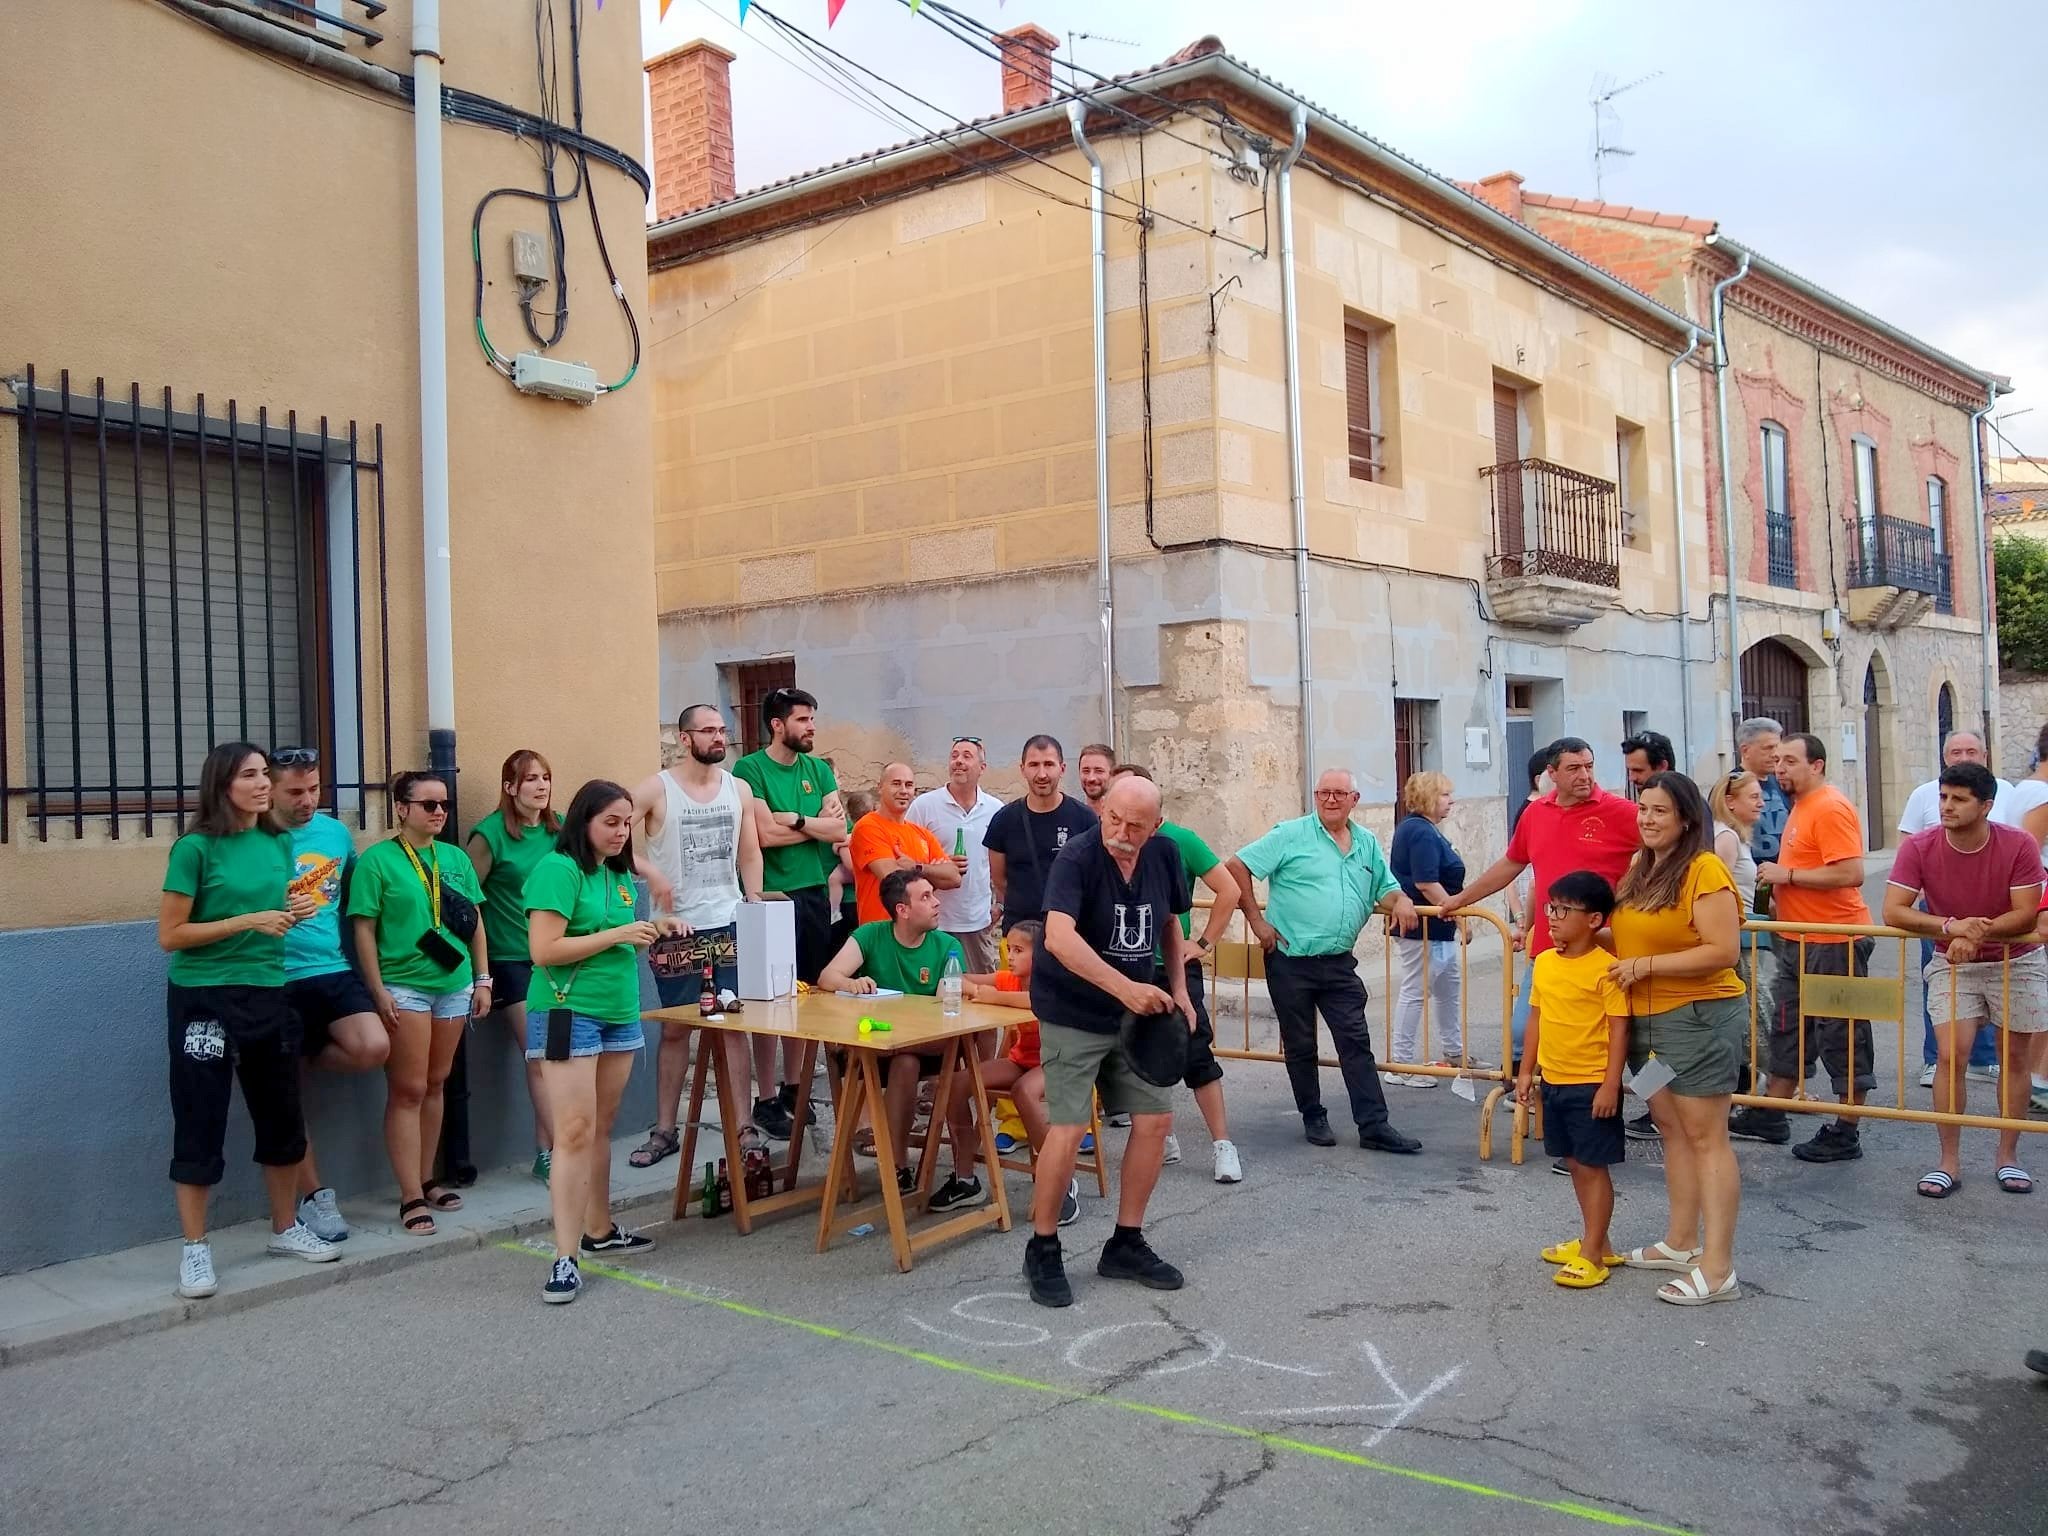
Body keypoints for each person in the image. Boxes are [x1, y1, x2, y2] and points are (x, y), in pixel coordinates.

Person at [159, 742, 340, 1298]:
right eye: (251, 776)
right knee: (200, 1116)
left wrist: (292, 904)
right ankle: (195, 1250)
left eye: (266, 774)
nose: (264, 785)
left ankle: (285, 1228)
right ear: (223, 785)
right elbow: (172, 935)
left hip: (268, 992)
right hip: (205, 999)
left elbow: (267, 903)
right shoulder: (194, 848)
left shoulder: (277, 841)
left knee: (281, 1114)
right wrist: (248, 920)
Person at [1021, 774, 1194, 1308]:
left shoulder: (1164, 856)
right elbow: (1058, 937)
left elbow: (1169, 922)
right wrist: (1126, 988)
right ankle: (1043, 1247)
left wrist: (1178, 989)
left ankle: (1125, 1241)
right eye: (1113, 818)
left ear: (1155, 827)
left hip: (1135, 1015)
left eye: (1134, 825)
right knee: (1069, 1128)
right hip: (1074, 1011)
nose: (1120, 831)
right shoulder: (1077, 858)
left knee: (1155, 1120)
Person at [1226, 769, 1423, 1155]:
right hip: (1291, 959)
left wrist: (1401, 899)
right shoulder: (1291, 833)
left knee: (1355, 1042)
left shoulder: (1365, 842)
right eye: (1323, 793)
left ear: (1355, 798)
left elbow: (1385, 886)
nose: (1330, 800)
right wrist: (1256, 921)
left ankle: (1374, 1125)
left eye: (1339, 793)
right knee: (1300, 1044)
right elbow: (1237, 866)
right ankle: (1313, 1115)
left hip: (1338, 963)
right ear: (1315, 797)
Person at [1608, 772, 1747, 1305]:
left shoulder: (1704, 868)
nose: (1646, 818)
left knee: (1706, 1136)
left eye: (1659, 811)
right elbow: (1632, 934)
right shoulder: (1643, 866)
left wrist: (1645, 965)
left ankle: (1718, 1269)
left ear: (1687, 818)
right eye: (1643, 808)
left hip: (1697, 1018)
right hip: (1647, 1023)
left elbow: (1722, 950)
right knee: (1671, 1129)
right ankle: (1682, 1241)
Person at [524, 780, 661, 1304]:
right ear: (584, 821)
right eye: (611, 822)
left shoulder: (619, 875)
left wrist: (655, 926)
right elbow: (544, 949)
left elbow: (620, 932)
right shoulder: (558, 870)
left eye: (627, 823)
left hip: (618, 1012)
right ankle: (564, 1257)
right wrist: (619, 936)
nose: (621, 832)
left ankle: (599, 1231)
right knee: (574, 1132)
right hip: (566, 1010)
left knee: (601, 1126)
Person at [1881, 763, 2045, 1197]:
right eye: (1942, 797)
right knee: (1951, 1056)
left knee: (2014, 1058)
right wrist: (1954, 928)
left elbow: (2026, 911)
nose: (1946, 806)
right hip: (1952, 959)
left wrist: (1979, 933)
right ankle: (1947, 1162)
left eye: (1958, 799)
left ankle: (2008, 1156)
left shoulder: (2018, 844)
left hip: (2018, 959)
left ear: (1986, 806)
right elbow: (1894, 910)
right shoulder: (1920, 846)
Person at [348, 771, 491, 1236]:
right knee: (408, 1088)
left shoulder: (454, 858)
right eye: (427, 805)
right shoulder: (378, 861)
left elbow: (474, 921)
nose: (438, 813)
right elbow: (364, 928)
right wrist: (377, 989)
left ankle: (428, 1178)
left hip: (453, 982)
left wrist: (482, 978)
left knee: (436, 1082)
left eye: (443, 805)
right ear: (401, 808)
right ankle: (409, 1193)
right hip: (404, 984)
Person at [1443, 737, 1640, 1073]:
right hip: (1548, 948)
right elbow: (1511, 864)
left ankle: (1636, 1105)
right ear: (1551, 773)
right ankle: (1533, 1099)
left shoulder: (1620, 811)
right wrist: (1461, 899)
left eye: (1589, 766)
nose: (1585, 776)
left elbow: (1665, 845)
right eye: (1574, 768)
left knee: (1621, 1039)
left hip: (1603, 949)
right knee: (1526, 1030)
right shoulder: (1536, 813)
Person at [631, 705, 773, 1164]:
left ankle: (744, 1125)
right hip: (675, 927)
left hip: (728, 922)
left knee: (733, 1027)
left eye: (722, 730)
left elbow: (750, 851)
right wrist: (649, 872)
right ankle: (665, 1129)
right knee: (675, 1030)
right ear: (684, 737)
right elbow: (605, 831)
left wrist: (752, 901)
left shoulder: (740, 788)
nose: (719, 738)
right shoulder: (658, 788)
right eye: (708, 730)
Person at [1734, 733, 1875, 1161]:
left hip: (1836, 940)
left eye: (1791, 761)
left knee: (1842, 1034)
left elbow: (1851, 873)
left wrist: (1788, 878)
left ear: (1817, 765)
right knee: (1788, 1027)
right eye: (1778, 761)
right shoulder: (1803, 807)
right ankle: (1772, 1112)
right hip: (1799, 937)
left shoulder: (1829, 807)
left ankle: (1846, 1128)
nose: (1780, 769)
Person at [273, 748, 389, 1244]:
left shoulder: (336, 834)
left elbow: (358, 898)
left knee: (373, 1046)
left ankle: (305, 1054)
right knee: (285, 1096)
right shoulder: (254, 839)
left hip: (331, 967)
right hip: (275, 976)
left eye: (313, 790)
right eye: (294, 792)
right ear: (271, 790)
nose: (306, 801)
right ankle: (313, 1195)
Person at [817, 871, 984, 1210]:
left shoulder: (947, 946)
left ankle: (901, 1165)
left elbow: (946, 1004)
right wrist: (853, 984)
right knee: (904, 1064)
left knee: (911, 1057)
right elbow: (827, 976)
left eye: (933, 894)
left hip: (927, 1044)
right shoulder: (871, 935)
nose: (936, 902)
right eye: (925, 897)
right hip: (884, 1048)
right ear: (902, 910)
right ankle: (898, 1165)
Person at [1110, 763, 1244, 1183]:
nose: (1125, 824)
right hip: (1124, 969)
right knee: (1133, 1053)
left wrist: (1202, 943)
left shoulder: (1178, 842)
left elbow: (1230, 888)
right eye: (1117, 810)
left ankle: (1223, 1145)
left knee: (1195, 1050)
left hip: (1172, 969)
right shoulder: (1101, 846)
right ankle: (1159, 1133)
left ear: (1156, 817)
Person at [732, 686, 846, 1129]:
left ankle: (795, 1087)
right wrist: (813, 825)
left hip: (813, 891)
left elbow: (838, 828)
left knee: (807, 993)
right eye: (802, 719)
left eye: (812, 718)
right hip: (771, 896)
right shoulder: (750, 768)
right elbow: (762, 835)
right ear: (777, 725)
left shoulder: (818, 769)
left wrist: (794, 819)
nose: (811, 727)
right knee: (769, 996)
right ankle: (765, 1097)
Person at [1515, 871, 1628, 1289]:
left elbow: (1619, 1028)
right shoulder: (1544, 962)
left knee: (1592, 1166)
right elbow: (1536, 1019)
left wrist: (1610, 1085)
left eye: (1564, 910)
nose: (1553, 918)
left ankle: (1593, 1254)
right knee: (1575, 1164)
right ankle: (1597, 1240)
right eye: (1550, 908)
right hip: (1555, 1079)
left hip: (1591, 1082)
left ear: (1595, 919)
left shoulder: (1607, 970)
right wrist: (1526, 1071)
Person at [461, 749, 560, 1185]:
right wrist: (476, 970)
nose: (540, 786)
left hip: (557, 957)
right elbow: (464, 900)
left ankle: (551, 1151)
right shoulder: (489, 836)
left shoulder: (559, 832)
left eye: (545, 778)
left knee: (557, 1055)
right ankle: (557, 1153)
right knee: (539, 1055)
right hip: (511, 961)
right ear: (510, 787)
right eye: (531, 779)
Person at [1901, 732, 2009, 1085]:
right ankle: (1937, 1060)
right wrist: (1942, 920)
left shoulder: (2007, 791)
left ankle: (1985, 1060)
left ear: (1986, 754)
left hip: (1998, 910)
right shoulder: (1923, 795)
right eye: (1955, 751)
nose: (1963, 756)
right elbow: (1908, 848)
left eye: (1971, 750)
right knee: (1941, 988)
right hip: (1941, 910)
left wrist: (1978, 929)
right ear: (1944, 756)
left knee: (1997, 990)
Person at [961, 920, 1082, 1226]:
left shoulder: (1054, 981)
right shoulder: (1009, 979)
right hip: (1022, 1060)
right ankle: (964, 1177)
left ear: (1040, 955)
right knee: (959, 1083)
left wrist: (990, 995)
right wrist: (970, 987)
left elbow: (1036, 1002)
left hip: (1059, 1060)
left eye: (1018, 950)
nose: (1010, 956)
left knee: (1023, 1092)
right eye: (1007, 948)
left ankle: (1060, 1177)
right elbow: (961, 979)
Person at [1389, 771, 1469, 1084]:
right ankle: (1402, 1063)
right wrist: (1460, 917)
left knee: (1447, 989)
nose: (1451, 801)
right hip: (1423, 926)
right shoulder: (1420, 831)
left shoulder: (1424, 829)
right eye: (1445, 795)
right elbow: (1425, 881)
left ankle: (1454, 1050)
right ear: (1428, 797)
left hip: (1436, 928)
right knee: (1416, 989)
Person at [908, 736, 1004, 972]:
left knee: (978, 995)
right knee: (931, 993)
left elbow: (1001, 866)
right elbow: (906, 860)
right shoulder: (924, 806)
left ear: (982, 768)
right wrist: (940, 866)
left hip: (977, 922)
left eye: (966, 756)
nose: (958, 761)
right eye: (954, 756)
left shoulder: (996, 810)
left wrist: (1000, 905)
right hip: (933, 921)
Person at [984, 735, 1096, 933]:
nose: (1042, 774)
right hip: (1020, 934)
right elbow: (1000, 881)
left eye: (1049, 764)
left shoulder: (1085, 819)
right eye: (1034, 765)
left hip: (1074, 932)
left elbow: (1095, 876)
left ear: (1062, 769)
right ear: (1023, 769)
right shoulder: (1004, 820)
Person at [849, 762, 961, 923]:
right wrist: (934, 874)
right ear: (880, 787)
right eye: (896, 784)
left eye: (908, 785)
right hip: (881, 932)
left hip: (919, 933)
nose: (903, 791)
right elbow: (893, 879)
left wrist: (918, 867)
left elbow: (954, 877)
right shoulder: (868, 827)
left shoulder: (921, 833)